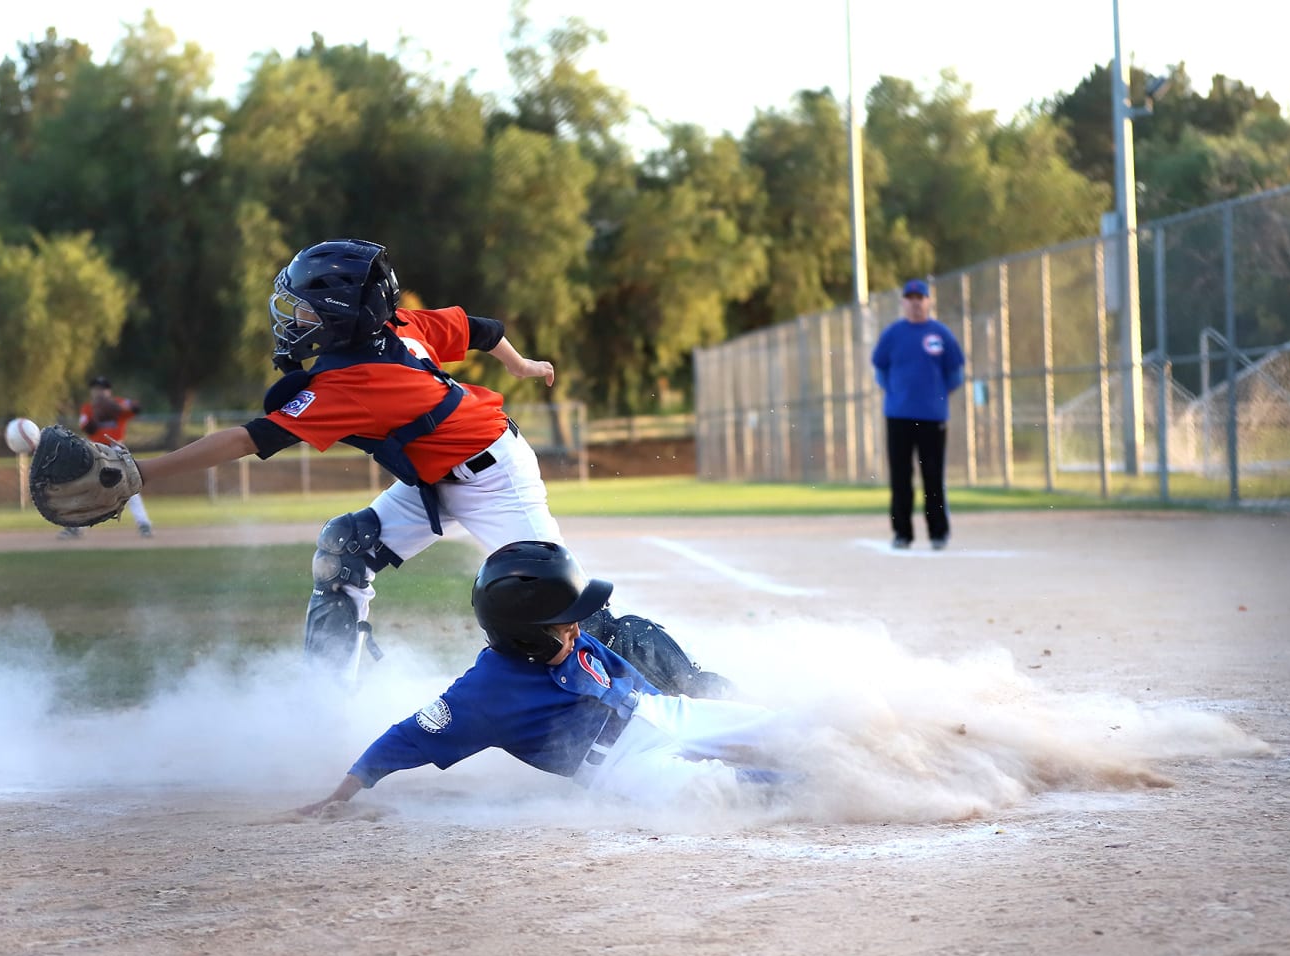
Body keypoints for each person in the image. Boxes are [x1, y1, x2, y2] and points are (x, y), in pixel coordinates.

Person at [126, 238, 725, 693]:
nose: (295, 320)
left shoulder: (352, 380)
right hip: (436, 477)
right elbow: (481, 330)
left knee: (569, 610)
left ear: (339, 313)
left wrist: (144, 472)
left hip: (494, 478)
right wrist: (519, 365)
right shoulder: (399, 329)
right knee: (346, 549)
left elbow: (245, 439)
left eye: (306, 309)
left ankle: (696, 691)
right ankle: (327, 704)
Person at [296, 541, 793, 816]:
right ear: (527, 637)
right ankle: (824, 785)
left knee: (781, 729)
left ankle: (840, 752)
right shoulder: (482, 695)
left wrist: (692, 722)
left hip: (660, 714)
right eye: (565, 622)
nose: (578, 629)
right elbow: (407, 737)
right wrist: (343, 793)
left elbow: (631, 679)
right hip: (622, 767)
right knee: (721, 795)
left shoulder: (572, 640)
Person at [871, 279, 966, 551]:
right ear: (903, 302)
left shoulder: (940, 334)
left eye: (920, 297)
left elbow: (955, 373)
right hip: (898, 415)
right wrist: (894, 391)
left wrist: (937, 395)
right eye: (910, 297)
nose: (915, 302)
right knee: (901, 477)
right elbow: (880, 369)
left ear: (928, 301)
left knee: (933, 476)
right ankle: (902, 532)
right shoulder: (893, 334)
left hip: (932, 416)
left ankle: (938, 532)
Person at [58, 375, 154, 539]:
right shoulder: (87, 409)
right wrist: (98, 412)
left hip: (117, 449)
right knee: (84, 486)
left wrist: (117, 408)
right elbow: (88, 428)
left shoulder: (118, 403)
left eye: (102, 389)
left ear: (109, 391)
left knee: (131, 485)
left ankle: (144, 523)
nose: (99, 392)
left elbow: (137, 408)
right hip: (95, 450)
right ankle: (75, 526)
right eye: (96, 389)